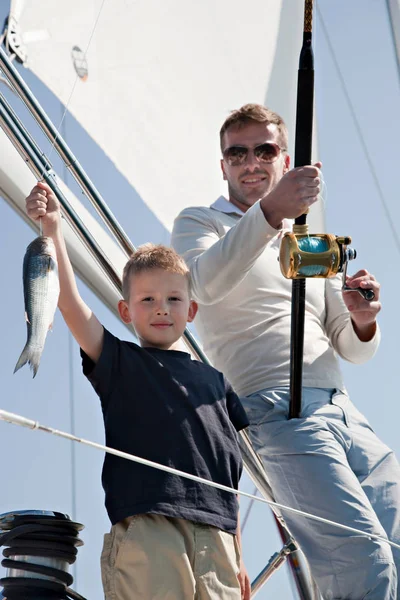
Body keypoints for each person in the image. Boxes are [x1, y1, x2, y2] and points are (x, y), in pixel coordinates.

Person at [171, 103, 400, 599]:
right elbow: (203, 284)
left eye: (264, 149)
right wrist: (272, 211)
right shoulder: (200, 222)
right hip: (277, 413)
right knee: (364, 562)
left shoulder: (311, 241)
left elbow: (351, 347)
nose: (250, 161)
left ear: (284, 158)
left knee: (397, 553)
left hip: (345, 415)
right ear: (223, 165)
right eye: (237, 153)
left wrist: (363, 318)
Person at [25, 181, 251, 600]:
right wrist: (53, 229)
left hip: (218, 540)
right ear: (126, 311)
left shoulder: (216, 383)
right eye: (147, 299)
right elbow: (71, 304)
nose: (162, 308)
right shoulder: (121, 364)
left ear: (191, 309)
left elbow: (228, 473)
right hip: (151, 529)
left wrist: (239, 554)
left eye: (172, 298)